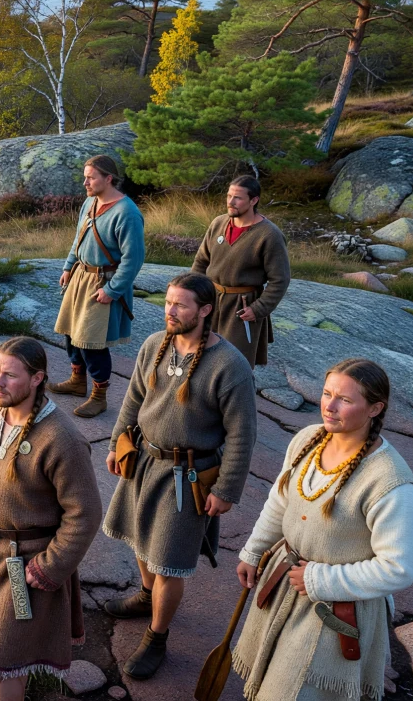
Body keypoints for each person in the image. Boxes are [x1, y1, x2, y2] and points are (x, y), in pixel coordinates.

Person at [232, 358, 413, 701]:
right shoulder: (309, 438)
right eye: (326, 393)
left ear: (375, 408)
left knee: (293, 692)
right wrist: (254, 550)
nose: (329, 407)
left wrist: (320, 580)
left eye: (345, 400)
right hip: (284, 582)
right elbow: (280, 500)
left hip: (334, 609)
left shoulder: (391, 483)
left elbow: (399, 568)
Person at [101, 272, 256, 679]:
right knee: (140, 536)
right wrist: (118, 441)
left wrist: (226, 489)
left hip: (188, 477)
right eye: (168, 302)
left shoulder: (229, 365)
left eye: (180, 305)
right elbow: (134, 397)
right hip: (144, 462)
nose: (170, 311)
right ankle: (146, 595)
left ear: (205, 311)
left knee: (169, 560)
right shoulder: (155, 345)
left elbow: (242, 434)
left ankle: (157, 635)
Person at [0, 337, 102, 701]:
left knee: (1, 664)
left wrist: (50, 567)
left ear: (37, 379)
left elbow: (85, 514)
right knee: (1, 660)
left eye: (10, 376)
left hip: (25, 567)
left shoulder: (61, 439)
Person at [49, 155, 145, 418]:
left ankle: (99, 395)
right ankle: (77, 382)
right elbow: (78, 238)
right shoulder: (90, 203)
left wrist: (112, 290)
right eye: (85, 177)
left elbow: (133, 259)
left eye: (90, 177)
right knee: (71, 333)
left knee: (92, 342)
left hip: (103, 282)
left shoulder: (127, 213)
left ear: (108, 178)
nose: (85, 182)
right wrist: (69, 266)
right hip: (81, 277)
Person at [190, 175, 291, 368]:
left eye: (238, 198)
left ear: (254, 200)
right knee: (199, 358)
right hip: (210, 300)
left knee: (234, 365)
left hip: (241, 308)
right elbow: (201, 262)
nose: (230, 202)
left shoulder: (269, 235)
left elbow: (280, 279)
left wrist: (258, 309)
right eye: (229, 196)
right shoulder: (218, 223)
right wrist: (193, 295)